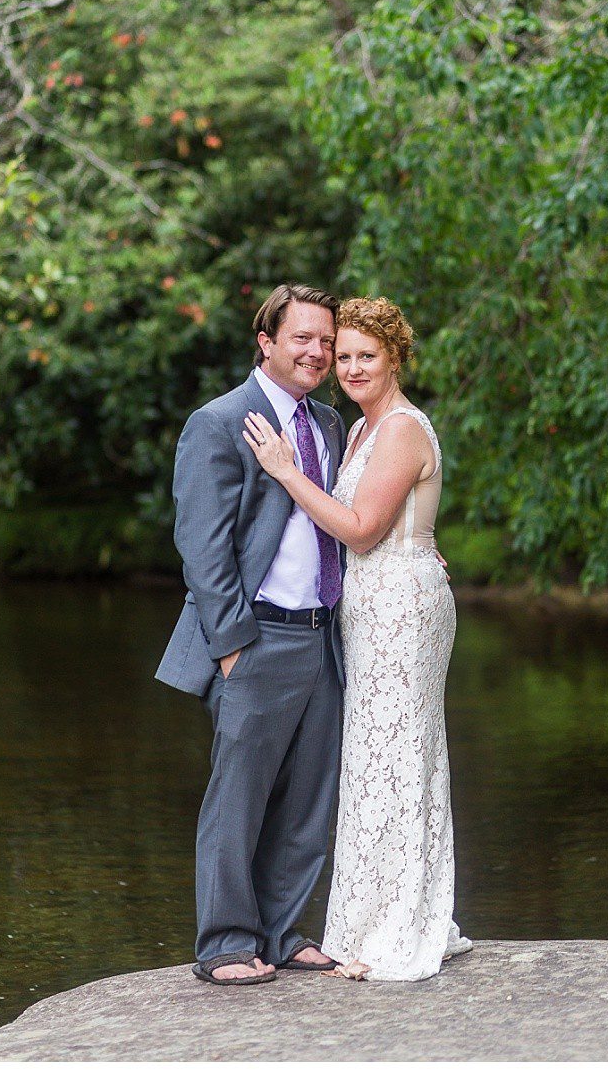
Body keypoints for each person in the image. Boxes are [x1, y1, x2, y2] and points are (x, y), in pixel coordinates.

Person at [242, 296, 468, 982]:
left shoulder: (398, 428)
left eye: (365, 355)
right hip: (373, 606)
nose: (349, 367)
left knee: (399, 752)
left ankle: (401, 924)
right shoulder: (362, 428)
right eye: (342, 356)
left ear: (395, 356)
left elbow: (364, 528)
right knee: (374, 756)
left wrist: (288, 472)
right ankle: (372, 920)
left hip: (401, 605)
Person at [156, 283, 345, 985]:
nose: (317, 351)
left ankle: (283, 929)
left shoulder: (327, 424)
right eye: (303, 337)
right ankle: (227, 943)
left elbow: (340, 518)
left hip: (323, 633)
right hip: (256, 636)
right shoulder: (219, 420)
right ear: (265, 340)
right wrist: (233, 643)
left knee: (307, 796)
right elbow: (200, 546)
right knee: (239, 796)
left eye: (325, 340)